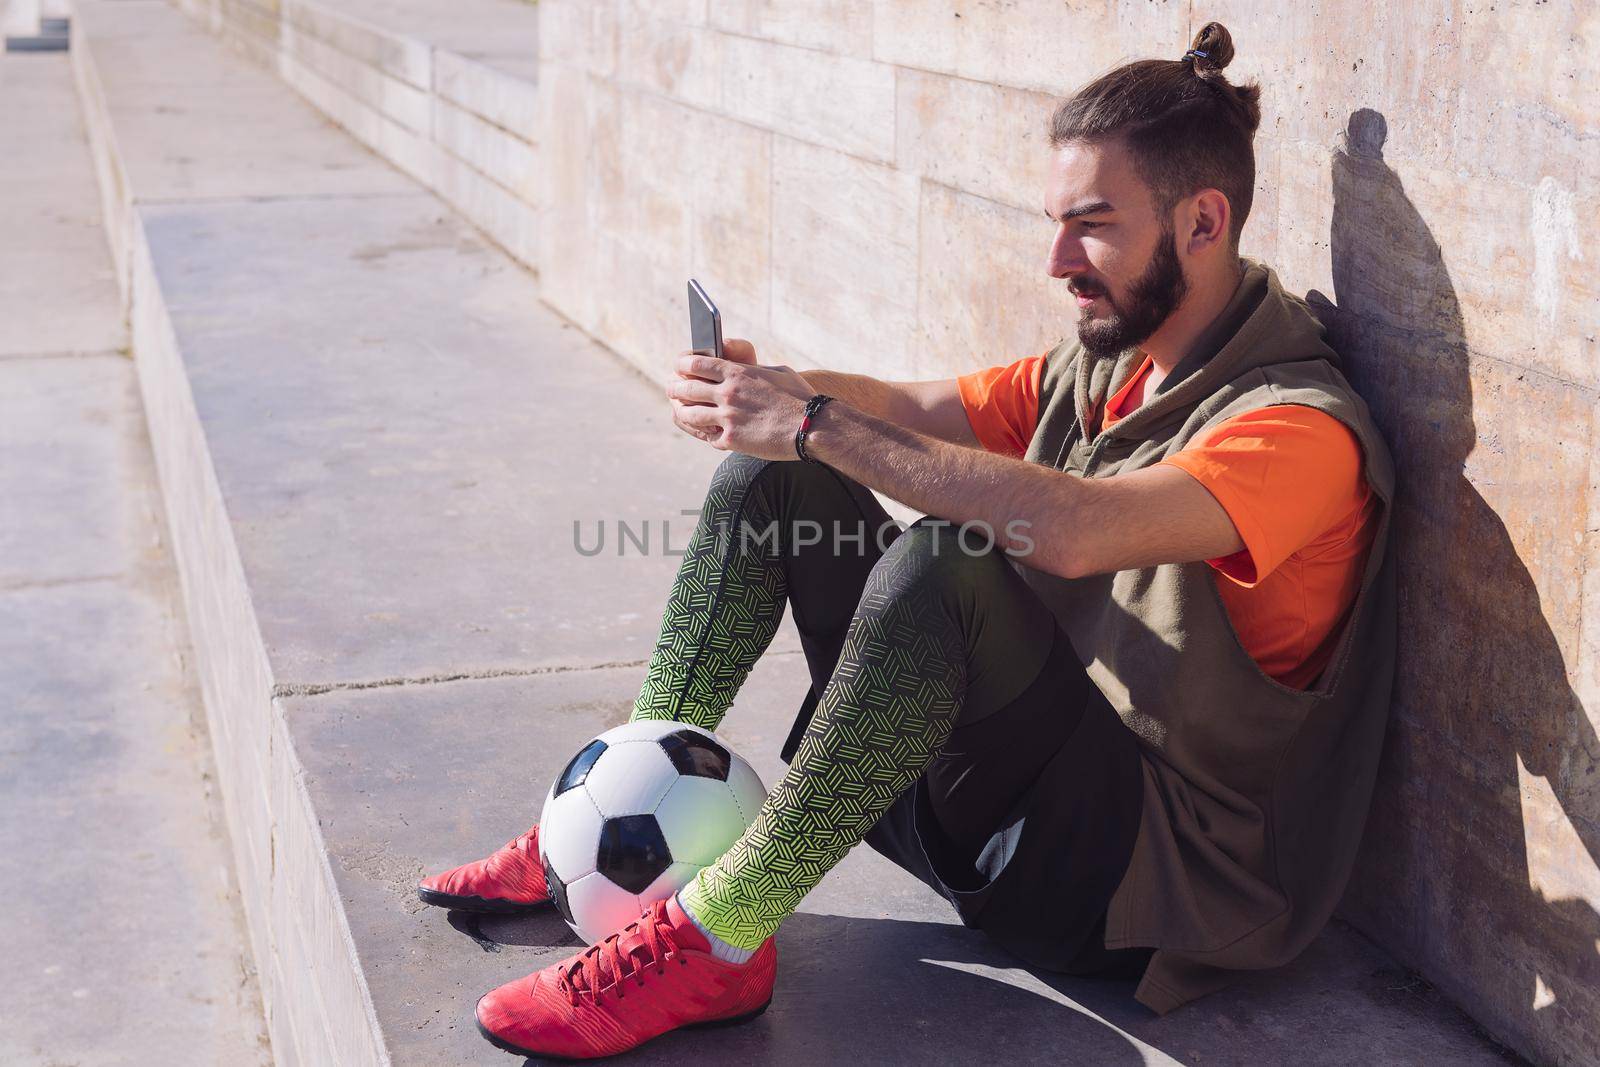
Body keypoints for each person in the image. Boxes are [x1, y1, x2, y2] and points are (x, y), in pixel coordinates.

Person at [418, 22, 1397, 1059]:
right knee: (776, 472)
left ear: (1203, 221)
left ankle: (718, 934)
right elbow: (921, 406)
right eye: (1055, 222)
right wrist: (778, 399)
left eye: (1092, 226)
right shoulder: (1115, 362)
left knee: (943, 562)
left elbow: (1071, 530)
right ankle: (610, 806)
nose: (1057, 258)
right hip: (1006, 812)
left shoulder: (1299, 430)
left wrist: (812, 420)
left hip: (1136, 890)